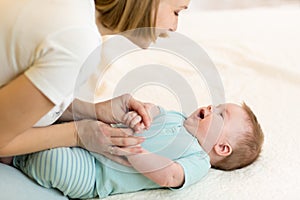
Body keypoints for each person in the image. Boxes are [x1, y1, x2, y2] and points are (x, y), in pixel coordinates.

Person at [0, 0, 190, 164]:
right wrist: (78, 134)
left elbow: (19, 100)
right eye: (176, 12)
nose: (174, 28)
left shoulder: (74, 13)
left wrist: (94, 111)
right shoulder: (78, 43)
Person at [13, 102, 264, 199]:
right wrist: (140, 114)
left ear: (221, 147)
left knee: (54, 160)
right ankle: (19, 134)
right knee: (54, 118)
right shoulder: (177, 117)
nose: (210, 107)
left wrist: (135, 153)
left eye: (220, 114)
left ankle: (15, 157)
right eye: (216, 105)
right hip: (94, 137)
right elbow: (154, 112)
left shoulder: (198, 160)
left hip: (95, 173)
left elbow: (171, 175)